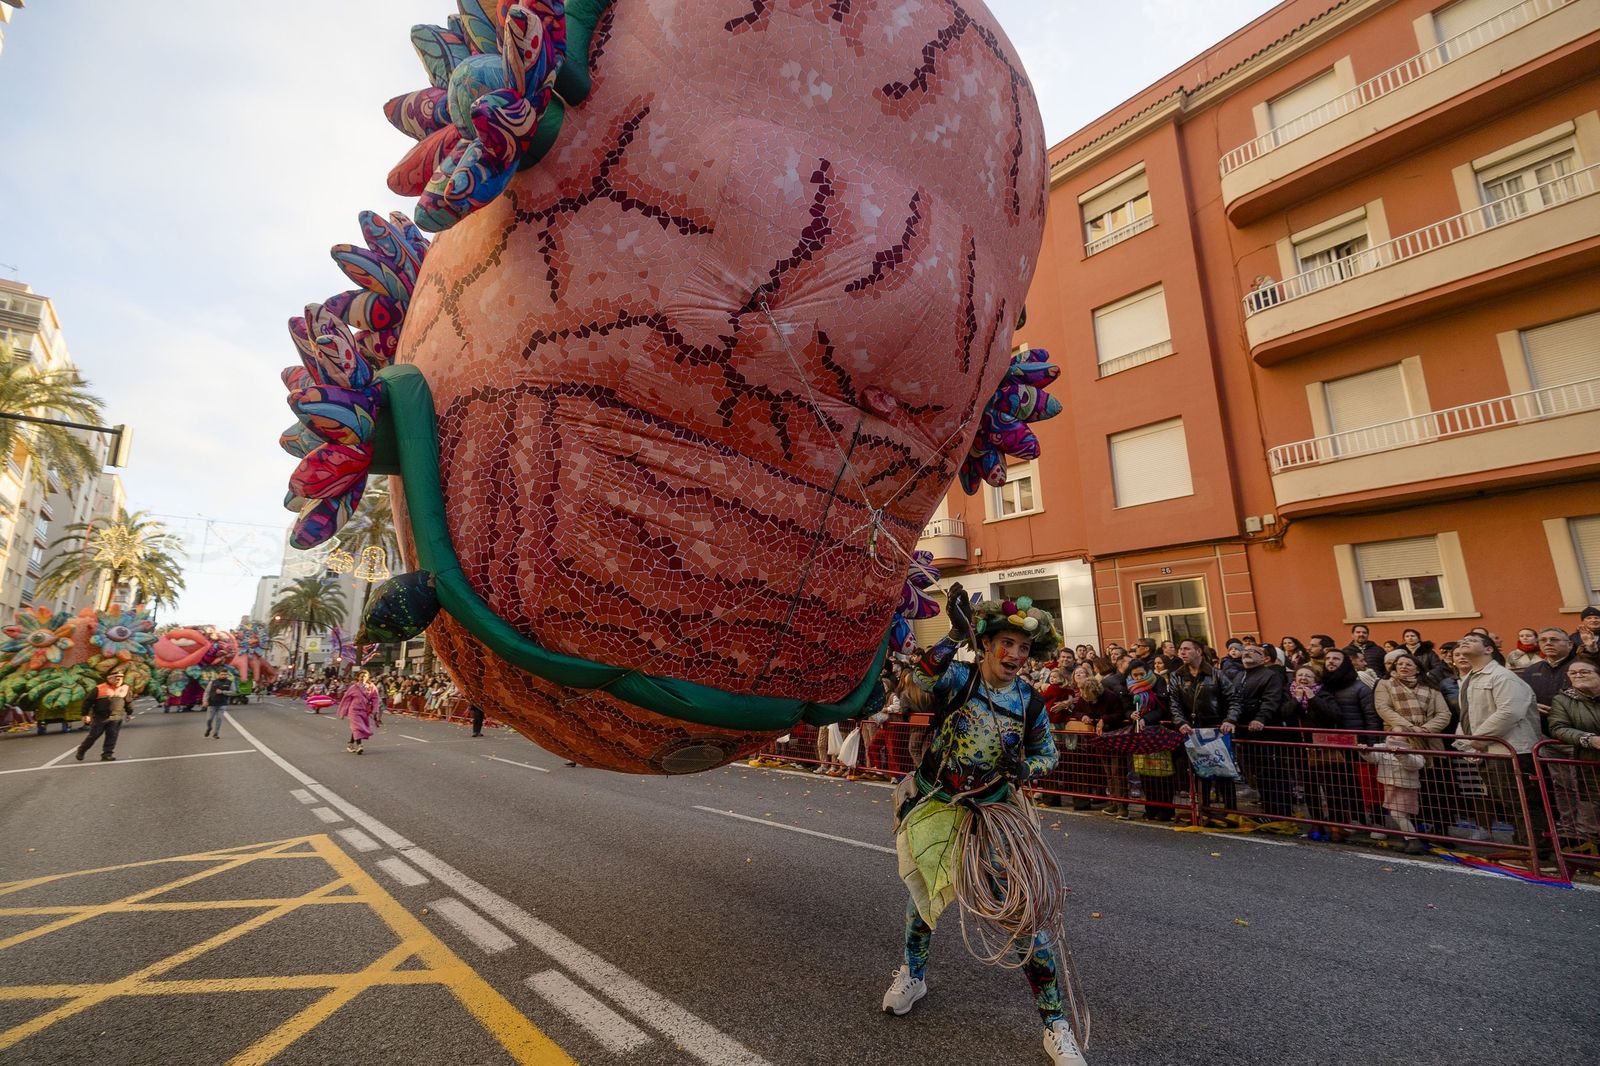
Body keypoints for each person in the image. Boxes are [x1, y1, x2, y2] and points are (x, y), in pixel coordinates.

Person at [882, 585, 1086, 1066]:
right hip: (937, 804)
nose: (1015, 654)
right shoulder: (958, 679)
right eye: (1006, 644)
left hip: (995, 817)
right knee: (923, 900)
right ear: (988, 644)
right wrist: (953, 635)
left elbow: (1048, 754)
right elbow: (916, 682)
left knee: (1027, 913)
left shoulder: (1030, 703)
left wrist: (1024, 771)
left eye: (1023, 648)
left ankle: (1055, 1025)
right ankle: (913, 974)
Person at [1451, 632, 1550, 864]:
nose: (1463, 642)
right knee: (1510, 803)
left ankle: (1540, 854)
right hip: (1491, 751)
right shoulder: (1471, 678)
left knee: (1523, 803)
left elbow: (1509, 711)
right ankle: (1524, 847)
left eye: (1472, 640)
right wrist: (1467, 742)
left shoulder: (1503, 676)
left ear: (1488, 649)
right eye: (1461, 640)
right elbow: (1468, 714)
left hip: (1513, 751)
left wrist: (1480, 738)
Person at [1373, 652, 1454, 833]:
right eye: (1399, 664)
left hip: (1429, 742)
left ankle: (1440, 829)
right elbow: (1383, 708)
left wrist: (1424, 730)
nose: (1403, 667)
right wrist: (1410, 727)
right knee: (1405, 787)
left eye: (1409, 664)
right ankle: (1414, 828)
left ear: (1418, 669)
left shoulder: (1431, 689)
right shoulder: (1385, 685)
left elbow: (1444, 714)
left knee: (1433, 786)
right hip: (1401, 740)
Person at [1168, 638, 1243, 828]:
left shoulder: (1216, 674)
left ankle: (1230, 812)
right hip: (1192, 729)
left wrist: (1229, 719)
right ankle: (1204, 810)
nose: (1182, 652)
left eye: (1186, 649)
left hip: (1216, 728)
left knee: (1223, 771)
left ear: (1199, 652)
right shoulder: (1177, 675)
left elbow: (1233, 698)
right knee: (1200, 772)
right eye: (1180, 649)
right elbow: (1174, 702)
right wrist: (1180, 722)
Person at [1236, 641, 1292, 818]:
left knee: (1271, 773)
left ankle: (1279, 811)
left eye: (1253, 651)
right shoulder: (1239, 676)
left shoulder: (1270, 675)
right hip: (1244, 731)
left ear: (1263, 658)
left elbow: (1271, 699)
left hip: (1265, 730)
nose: (1247, 653)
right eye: (1245, 651)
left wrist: (1260, 718)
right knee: (1257, 772)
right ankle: (1267, 809)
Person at [1549, 659, 1600, 853]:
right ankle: (1589, 854)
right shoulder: (1563, 700)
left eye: (1584, 672)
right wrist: (1589, 739)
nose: (1577, 675)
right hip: (1587, 760)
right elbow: (1558, 728)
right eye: (1573, 673)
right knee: (1590, 808)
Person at [1361, 736, 1428, 853]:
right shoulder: (1382, 746)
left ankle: (1413, 840)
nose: (1392, 734)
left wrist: (1402, 754)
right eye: (1391, 731)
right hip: (1389, 784)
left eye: (1397, 733)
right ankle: (1407, 839)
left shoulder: (1413, 749)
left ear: (1407, 738)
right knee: (1401, 815)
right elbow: (1374, 758)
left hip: (1406, 786)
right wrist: (1365, 752)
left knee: (1397, 814)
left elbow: (1416, 764)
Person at [75, 670, 130, 762]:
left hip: (116, 717)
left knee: (112, 736)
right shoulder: (99, 688)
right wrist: (85, 714)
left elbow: (128, 701)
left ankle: (107, 754)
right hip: (100, 717)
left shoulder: (125, 688)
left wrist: (129, 713)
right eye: (116, 678)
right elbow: (88, 701)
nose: (118, 680)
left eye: (120, 678)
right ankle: (82, 750)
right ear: (109, 678)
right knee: (93, 736)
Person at [339, 670, 383, 754]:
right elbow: (346, 700)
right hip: (354, 710)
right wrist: (343, 712)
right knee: (357, 727)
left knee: (357, 728)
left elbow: (375, 699)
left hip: (364, 710)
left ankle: (351, 744)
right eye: (361, 676)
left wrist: (375, 710)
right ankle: (359, 745)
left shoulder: (372, 687)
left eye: (365, 676)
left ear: (368, 677)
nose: (363, 678)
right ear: (358, 677)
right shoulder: (353, 687)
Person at [202, 674, 234, 739]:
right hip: (212, 704)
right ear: (218, 674)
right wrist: (205, 701)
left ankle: (215, 734)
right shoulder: (212, 682)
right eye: (222, 674)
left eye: (225, 674)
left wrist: (223, 692)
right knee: (209, 719)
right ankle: (209, 727)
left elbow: (233, 692)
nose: (223, 676)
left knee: (219, 719)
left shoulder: (230, 682)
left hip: (222, 704)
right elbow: (206, 692)